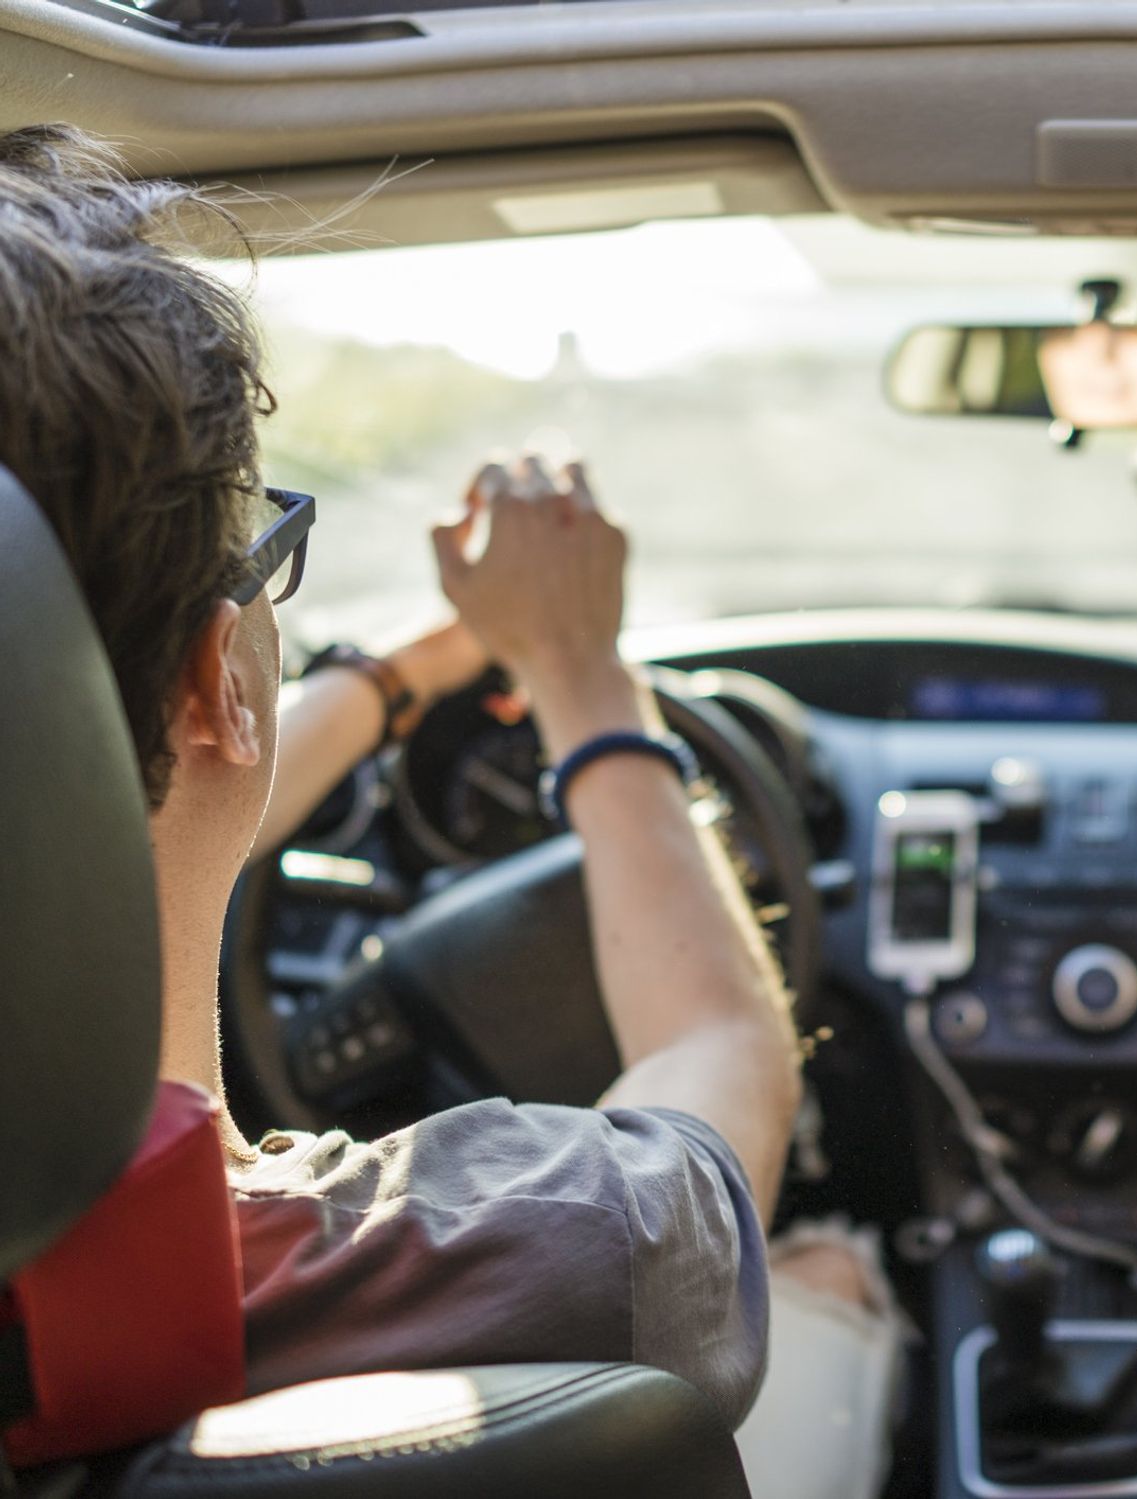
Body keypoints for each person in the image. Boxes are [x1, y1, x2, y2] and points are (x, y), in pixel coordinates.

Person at [0, 123, 897, 1497]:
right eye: (266, 559)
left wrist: (392, 675)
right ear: (213, 680)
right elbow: (724, 1058)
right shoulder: (535, 1247)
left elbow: (119, 787)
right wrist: (583, 676)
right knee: (830, 1266)